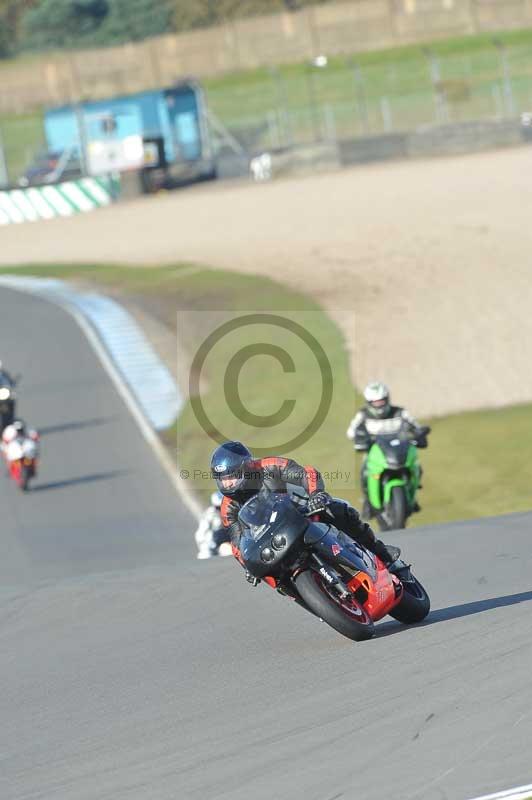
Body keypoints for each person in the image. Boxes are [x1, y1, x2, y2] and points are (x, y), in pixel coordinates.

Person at [210, 441, 400, 584]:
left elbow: (306, 474)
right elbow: (237, 543)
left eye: (232, 477)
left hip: (301, 513)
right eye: (223, 479)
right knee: (269, 575)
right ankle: (314, 601)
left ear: (247, 467)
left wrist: (317, 494)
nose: (228, 484)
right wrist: (248, 565)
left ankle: (383, 555)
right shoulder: (228, 507)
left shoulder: (268, 466)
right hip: (271, 542)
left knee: (340, 511)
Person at [346, 382, 429, 517]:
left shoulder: (400, 412)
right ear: (369, 402)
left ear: (387, 399)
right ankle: (368, 502)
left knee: (417, 467)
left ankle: (412, 497)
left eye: (382, 401)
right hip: (375, 451)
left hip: (399, 449)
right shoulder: (363, 415)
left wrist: (419, 434)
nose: (379, 405)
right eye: (376, 403)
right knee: (364, 473)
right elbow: (351, 432)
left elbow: (416, 426)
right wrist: (361, 438)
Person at [195, 491, 232, 560]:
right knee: (205, 554)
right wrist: (205, 546)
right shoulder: (209, 514)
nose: (221, 509)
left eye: (224, 506)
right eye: (219, 507)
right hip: (217, 540)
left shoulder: (233, 511)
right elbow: (201, 532)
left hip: (232, 537)